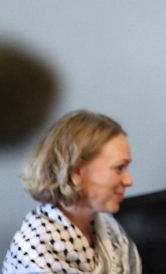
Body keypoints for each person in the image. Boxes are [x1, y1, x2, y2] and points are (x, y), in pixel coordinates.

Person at [4, 109, 140, 273]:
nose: (128, 181)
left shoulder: (111, 230)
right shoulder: (37, 251)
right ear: (76, 172)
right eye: (119, 168)